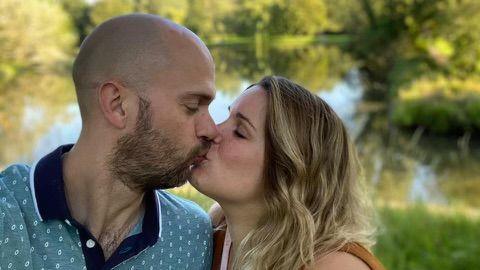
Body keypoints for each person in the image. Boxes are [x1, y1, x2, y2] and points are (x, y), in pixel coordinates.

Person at [0, 14, 219, 269]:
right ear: (117, 104)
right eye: (192, 106)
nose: (211, 129)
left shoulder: (192, 235)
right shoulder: (8, 216)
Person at [189, 76, 385, 270]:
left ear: (288, 171)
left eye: (240, 132)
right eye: (227, 117)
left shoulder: (334, 265)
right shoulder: (210, 237)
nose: (212, 131)